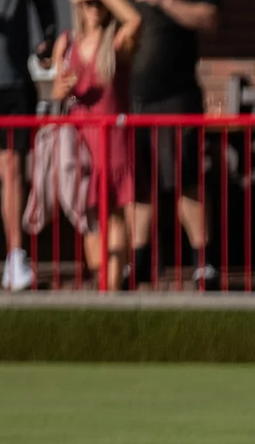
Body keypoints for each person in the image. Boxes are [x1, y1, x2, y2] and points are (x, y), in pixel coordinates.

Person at [129, 0, 219, 286]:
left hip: (176, 97)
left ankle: (203, 262)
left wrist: (165, 3)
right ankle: (139, 260)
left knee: (186, 178)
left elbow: (210, 17)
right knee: (140, 184)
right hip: (133, 99)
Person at [52, 0, 140, 290]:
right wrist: (59, 91)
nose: (94, 7)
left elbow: (135, 20)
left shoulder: (117, 40)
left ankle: (111, 292)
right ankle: (100, 287)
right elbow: (57, 91)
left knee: (114, 214)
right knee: (88, 217)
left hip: (113, 139)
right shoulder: (67, 42)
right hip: (81, 141)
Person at [0, 0, 57, 290]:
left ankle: (15, 257)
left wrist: (48, 37)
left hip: (14, 83)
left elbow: (45, 7)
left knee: (12, 168)